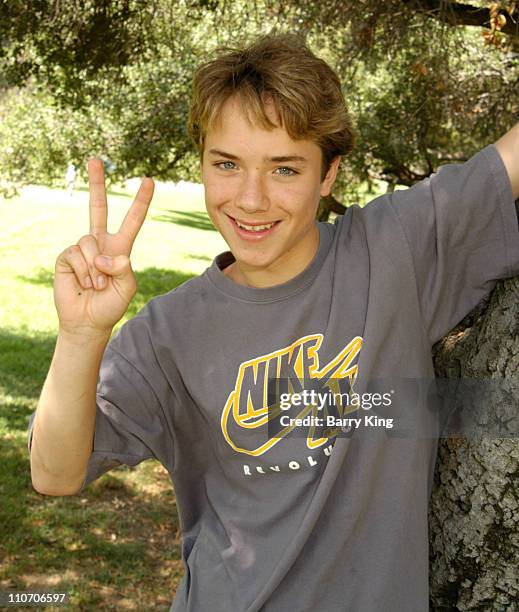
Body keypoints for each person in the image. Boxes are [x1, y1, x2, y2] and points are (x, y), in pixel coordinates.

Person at [27, 34, 519, 612]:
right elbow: (54, 474)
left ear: (329, 174)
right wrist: (81, 336)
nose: (252, 199)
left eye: (284, 168)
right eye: (227, 164)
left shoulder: (396, 250)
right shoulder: (170, 332)